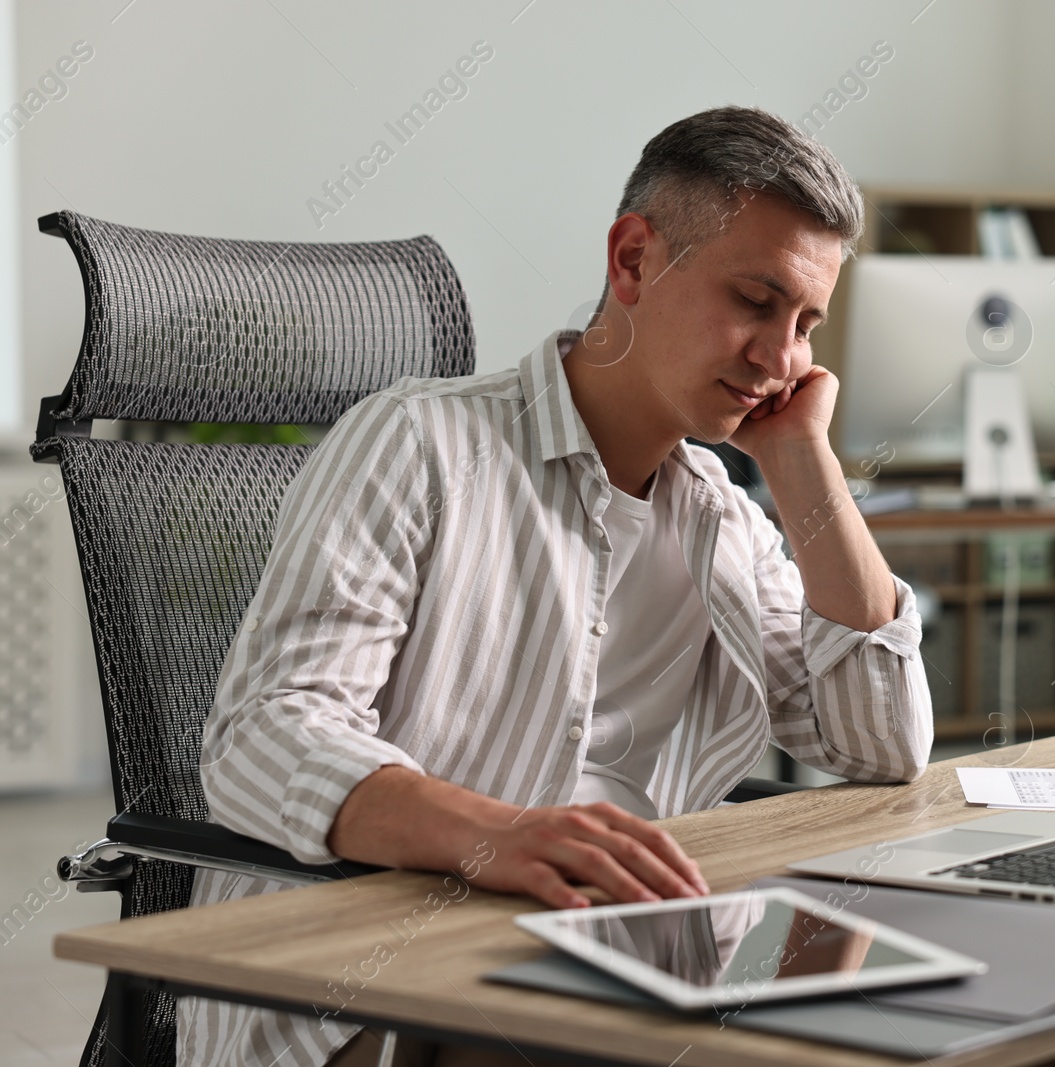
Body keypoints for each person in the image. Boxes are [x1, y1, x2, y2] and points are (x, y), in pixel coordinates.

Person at [176, 105, 935, 1067]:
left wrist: (803, 461)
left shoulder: (726, 526)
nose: (782, 358)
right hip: (376, 990)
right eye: (754, 300)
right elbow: (264, 733)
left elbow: (881, 743)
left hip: (631, 989)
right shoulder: (419, 444)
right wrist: (499, 835)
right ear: (632, 261)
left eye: (806, 325)